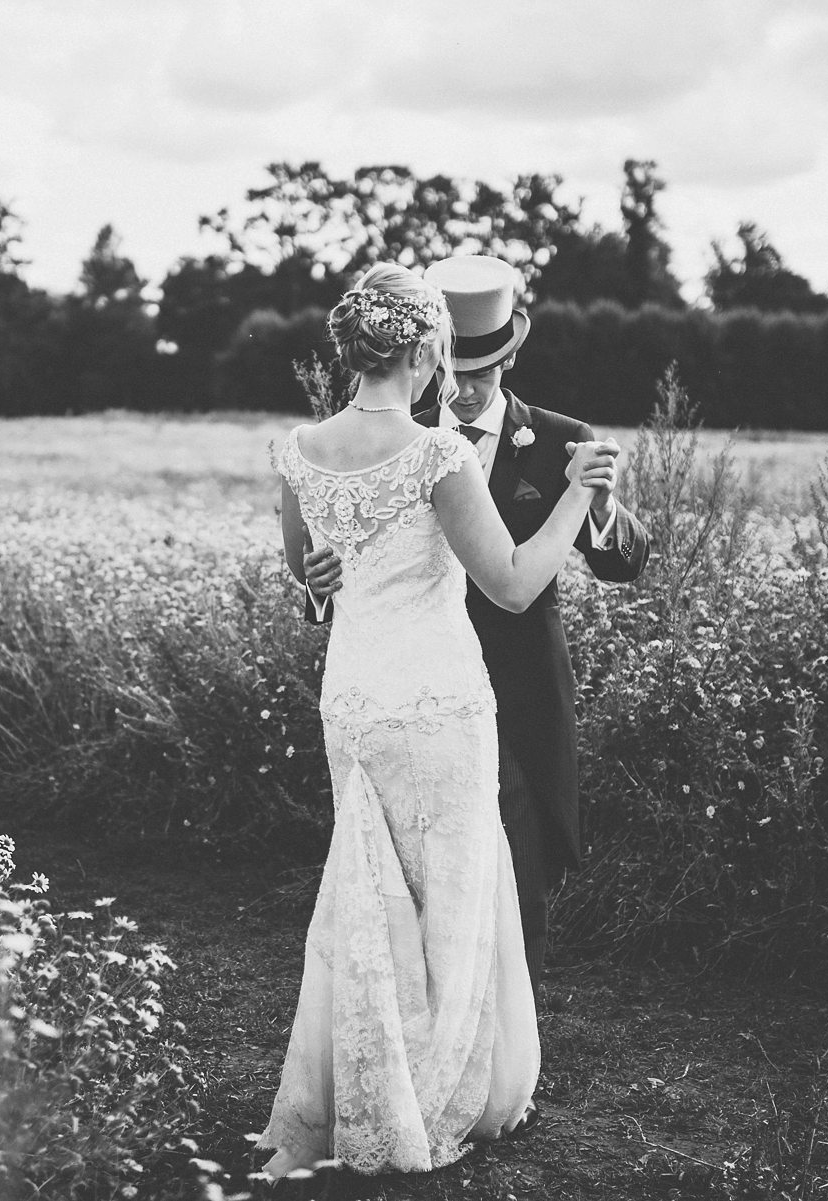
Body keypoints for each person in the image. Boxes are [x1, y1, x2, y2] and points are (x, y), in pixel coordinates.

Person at [261, 263, 619, 1180]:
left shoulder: (299, 448)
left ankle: (364, 1084)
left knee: (370, 887)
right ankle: (429, 1090)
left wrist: (316, 585)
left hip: (354, 698)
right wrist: (577, 494)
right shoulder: (438, 455)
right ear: (423, 348)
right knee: (450, 885)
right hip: (437, 699)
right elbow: (509, 580)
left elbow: (309, 573)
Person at [304, 255, 649, 1006]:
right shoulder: (405, 437)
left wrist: (594, 505)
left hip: (517, 702)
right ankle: (429, 1051)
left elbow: (624, 560)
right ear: (429, 351)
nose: (463, 387)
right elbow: (341, 563)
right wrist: (320, 590)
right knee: (415, 894)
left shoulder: (561, 437)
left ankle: (499, 1066)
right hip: (415, 701)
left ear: (510, 355)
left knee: (514, 892)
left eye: (484, 369)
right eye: (457, 366)